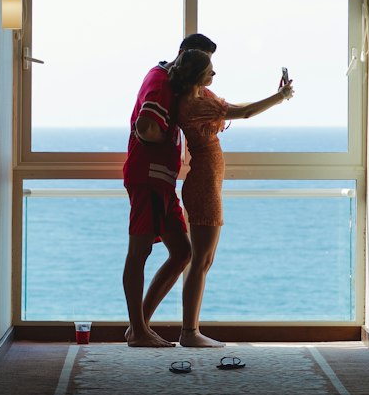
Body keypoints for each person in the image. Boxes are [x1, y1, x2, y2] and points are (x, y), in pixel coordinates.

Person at [169, 47, 294, 348]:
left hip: (206, 181)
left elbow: (234, 107)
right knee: (201, 260)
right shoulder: (196, 105)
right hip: (203, 184)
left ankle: (191, 330)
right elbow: (244, 113)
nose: (214, 73)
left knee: (204, 260)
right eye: (209, 69)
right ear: (197, 75)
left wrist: (275, 96)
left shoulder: (203, 98)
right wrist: (280, 97)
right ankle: (189, 333)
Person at [122, 32, 217, 346]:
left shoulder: (168, 80)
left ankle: (140, 326)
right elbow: (146, 125)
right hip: (148, 177)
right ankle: (138, 331)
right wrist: (161, 138)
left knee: (182, 253)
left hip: (161, 182)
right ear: (184, 57)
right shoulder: (160, 81)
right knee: (140, 251)